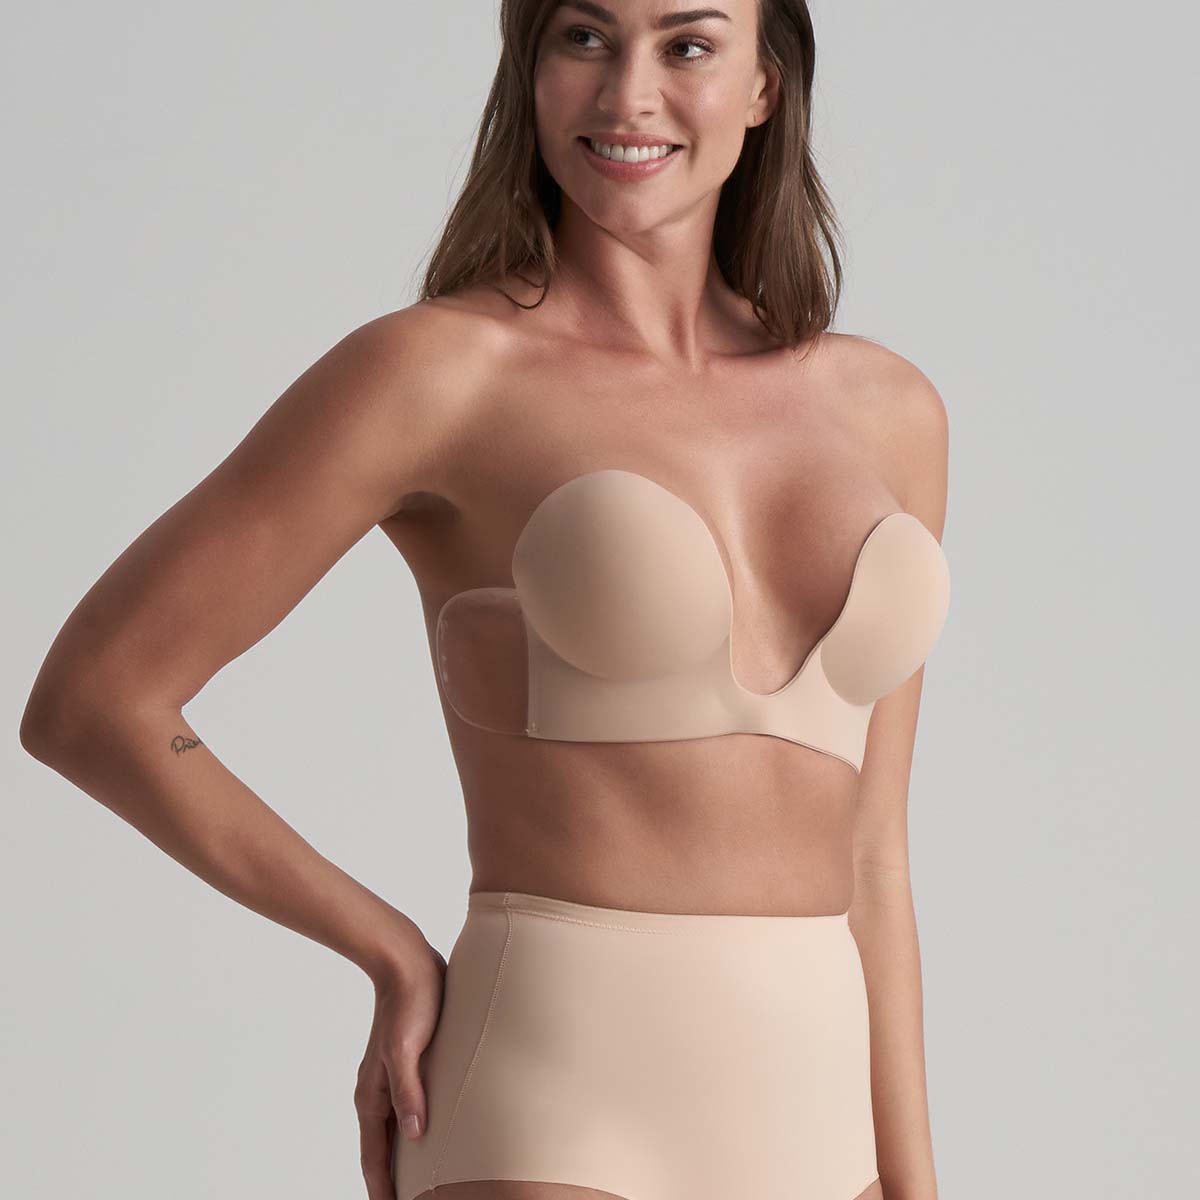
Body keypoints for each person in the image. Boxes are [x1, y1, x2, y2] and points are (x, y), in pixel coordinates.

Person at [19, 2, 952, 1198]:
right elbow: (94, 701)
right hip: (548, 1102)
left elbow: (875, 854)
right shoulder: (438, 374)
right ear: (530, 66)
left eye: (687, 44)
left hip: (823, 1123)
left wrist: (914, 1180)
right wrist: (384, 946)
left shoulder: (887, 411)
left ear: (765, 85)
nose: (628, 94)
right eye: (583, 38)